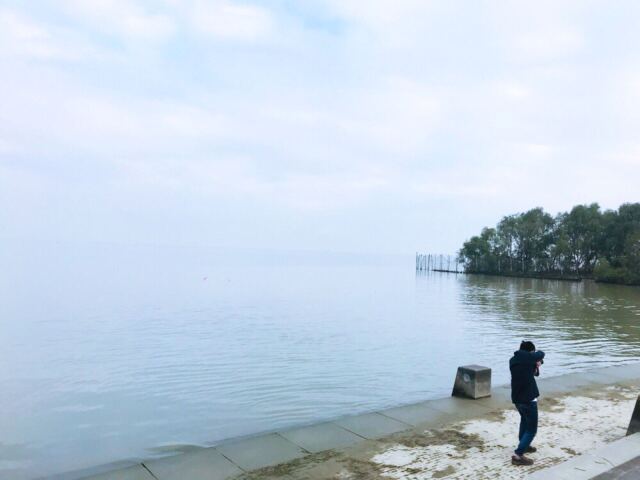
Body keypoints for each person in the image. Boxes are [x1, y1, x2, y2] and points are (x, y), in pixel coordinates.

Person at [510, 340, 545, 466]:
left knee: (524, 421)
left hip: (517, 398)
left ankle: (524, 445)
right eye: (532, 352)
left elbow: (528, 372)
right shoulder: (528, 358)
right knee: (531, 429)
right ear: (530, 352)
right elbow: (541, 354)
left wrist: (535, 365)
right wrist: (535, 357)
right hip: (528, 399)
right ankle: (518, 455)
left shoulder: (513, 360)